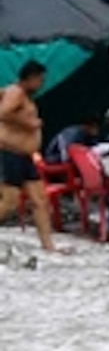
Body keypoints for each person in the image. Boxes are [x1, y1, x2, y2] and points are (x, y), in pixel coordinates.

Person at [0, 60, 56, 254]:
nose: (41, 84)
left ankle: (48, 245)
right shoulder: (16, 93)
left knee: (40, 201)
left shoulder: (22, 95)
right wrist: (28, 122)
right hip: (11, 153)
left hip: (24, 156)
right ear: (30, 78)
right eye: (40, 80)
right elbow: (4, 113)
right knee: (9, 202)